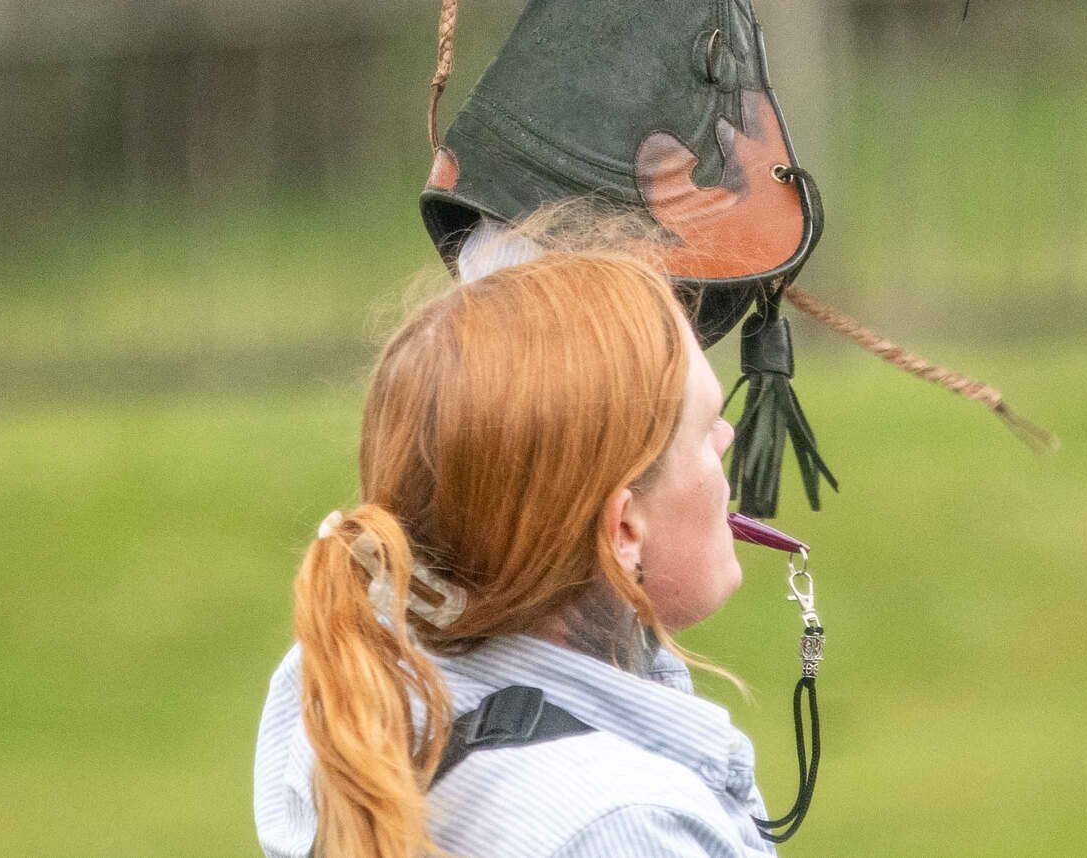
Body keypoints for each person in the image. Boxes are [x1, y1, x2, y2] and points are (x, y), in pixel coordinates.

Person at [251, 232, 773, 858]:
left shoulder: (363, 695)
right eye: (703, 428)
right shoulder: (623, 828)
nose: (727, 437)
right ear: (624, 530)